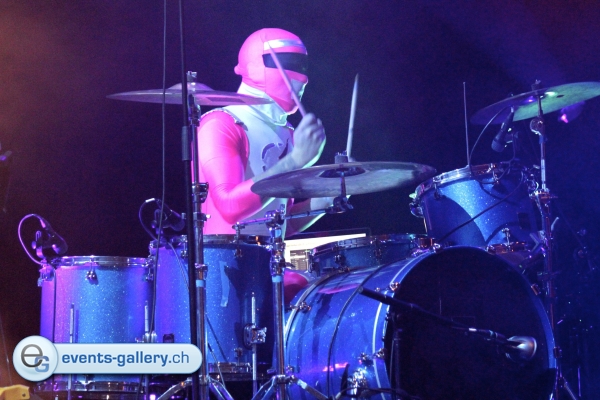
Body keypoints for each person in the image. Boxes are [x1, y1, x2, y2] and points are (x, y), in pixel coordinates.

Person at [196, 28, 331, 302]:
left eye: (303, 66)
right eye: (290, 63)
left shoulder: (289, 133)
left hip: (269, 267)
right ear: (256, 65)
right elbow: (230, 207)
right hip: (225, 278)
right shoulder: (221, 123)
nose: (302, 77)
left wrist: (325, 200)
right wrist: (294, 161)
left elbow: (281, 223)